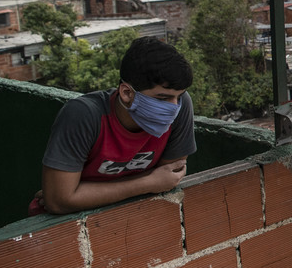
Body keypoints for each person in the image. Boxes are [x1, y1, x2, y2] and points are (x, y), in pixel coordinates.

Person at [32, 36, 197, 215]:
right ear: (127, 93)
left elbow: (169, 176)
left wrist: (81, 193)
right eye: (162, 98)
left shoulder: (182, 105)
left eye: (178, 97)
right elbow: (58, 201)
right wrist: (147, 183)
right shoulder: (83, 115)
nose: (174, 107)